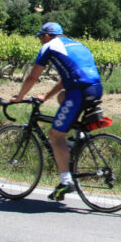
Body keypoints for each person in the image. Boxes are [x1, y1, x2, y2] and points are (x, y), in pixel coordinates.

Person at [11, 22, 103, 201]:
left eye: (40, 37)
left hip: (79, 92)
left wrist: (20, 97)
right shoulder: (76, 44)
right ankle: (78, 137)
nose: (40, 41)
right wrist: (46, 95)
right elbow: (65, 79)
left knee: (55, 135)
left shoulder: (49, 47)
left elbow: (32, 77)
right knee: (62, 97)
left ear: (46, 35)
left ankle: (66, 181)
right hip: (95, 88)